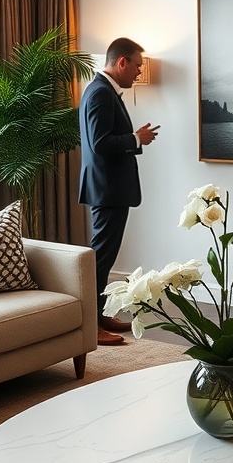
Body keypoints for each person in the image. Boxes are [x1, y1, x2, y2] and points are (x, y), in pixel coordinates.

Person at [79, 37, 160, 346]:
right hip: (107, 189)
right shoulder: (100, 93)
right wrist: (135, 138)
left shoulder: (103, 91)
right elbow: (100, 144)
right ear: (121, 62)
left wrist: (135, 138)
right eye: (138, 65)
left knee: (104, 256)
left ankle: (99, 317)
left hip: (108, 188)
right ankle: (91, 326)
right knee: (99, 259)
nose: (139, 72)